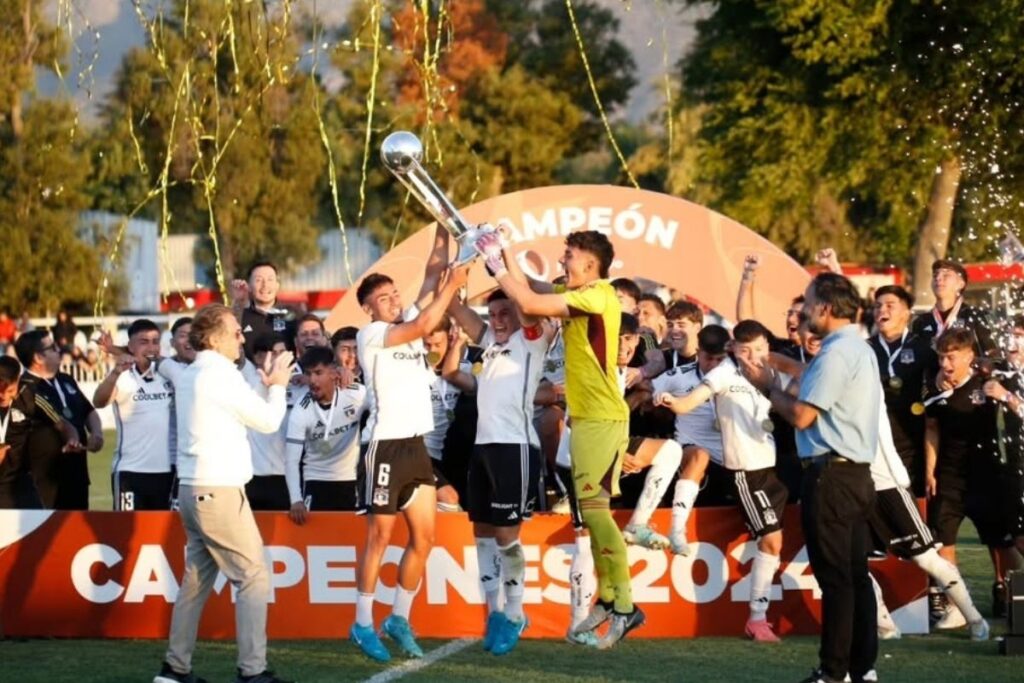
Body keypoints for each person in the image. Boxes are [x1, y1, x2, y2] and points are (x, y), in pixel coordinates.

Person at [478, 228, 643, 649]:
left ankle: (624, 604)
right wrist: (505, 252)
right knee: (591, 514)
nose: (562, 260)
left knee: (598, 515)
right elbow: (532, 288)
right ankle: (608, 599)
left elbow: (529, 304)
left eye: (568, 255)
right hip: (585, 419)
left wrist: (496, 266)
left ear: (589, 264)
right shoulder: (581, 290)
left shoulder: (599, 295)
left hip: (603, 418)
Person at [739, 272, 879, 683]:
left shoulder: (837, 353)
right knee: (854, 577)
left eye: (809, 302)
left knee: (837, 580)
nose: (802, 311)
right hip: (853, 475)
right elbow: (815, 375)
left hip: (831, 476)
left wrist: (767, 387)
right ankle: (861, 668)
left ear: (826, 308)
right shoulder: (855, 348)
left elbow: (802, 415)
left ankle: (833, 673)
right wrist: (780, 364)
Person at [154, 303, 294, 683]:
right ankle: (253, 671)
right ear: (214, 337)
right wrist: (278, 387)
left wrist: (267, 388)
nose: (242, 336)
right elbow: (267, 421)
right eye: (235, 331)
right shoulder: (219, 375)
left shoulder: (194, 373)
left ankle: (174, 668)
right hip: (217, 490)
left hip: (194, 489)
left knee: (196, 580)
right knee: (252, 577)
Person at [349, 225, 469, 662]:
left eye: (394, 294)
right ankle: (362, 622)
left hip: (415, 447)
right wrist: (453, 287)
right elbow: (425, 321)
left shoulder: (404, 320)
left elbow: (435, 268)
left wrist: (442, 226)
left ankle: (398, 617)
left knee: (425, 537)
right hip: (385, 446)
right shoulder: (372, 335)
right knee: (380, 537)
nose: (394, 301)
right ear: (367, 309)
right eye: (383, 299)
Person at [657, 320, 789, 643]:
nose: (752, 356)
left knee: (773, 546)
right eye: (745, 351)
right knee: (771, 541)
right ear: (733, 349)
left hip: (771, 469)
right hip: (745, 471)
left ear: (767, 347)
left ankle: (758, 618)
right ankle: (756, 620)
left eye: (758, 349)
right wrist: (670, 401)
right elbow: (690, 400)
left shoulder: (770, 371)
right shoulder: (725, 372)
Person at [443, 286, 554, 654]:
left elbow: (530, 305)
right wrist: (453, 276)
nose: (498, 320)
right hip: (482, 448)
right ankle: (493, 612)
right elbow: (456, 309)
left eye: (505, 312)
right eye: (493, 314)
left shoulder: (531, 340)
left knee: (508, 537)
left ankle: (516, 613)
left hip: (515, 448)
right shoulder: (489, 340)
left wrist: (505, 267)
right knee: (483, 534)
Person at [923, 327, 1022, 622]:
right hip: (950, 477)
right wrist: (930, 471)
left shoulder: (988, 382)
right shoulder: (934, 388)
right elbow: (931, 429)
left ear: (968, 357)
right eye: (942, 358)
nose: (945, 364)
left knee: (1005, 542)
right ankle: (958, 608)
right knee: (944, 541)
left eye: (951, 357)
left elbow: (1009, 367)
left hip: (987, 476)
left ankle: (1011, 593)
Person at [647, 327, 729, 556]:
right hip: (690, 450)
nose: (713, 365)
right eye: (707, 358)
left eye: (719, 360)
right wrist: (654, 398)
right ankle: (676, 529)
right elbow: (648, 388)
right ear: (698, 352)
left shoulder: (738, 375)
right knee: (700, 455)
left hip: (731, 454)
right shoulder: (679, 375)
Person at [15, 330, 104, 509]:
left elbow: (89, 412)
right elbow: (60, 423)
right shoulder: (25, 389)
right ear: (38, 357)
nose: (59, 351)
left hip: (77, 475)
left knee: (78, 532)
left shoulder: (66, 380)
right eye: (53, 347)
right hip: (46, 480)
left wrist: (97, 433)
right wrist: (72, 437)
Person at [93, 319, 175, 511]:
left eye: (155, 341)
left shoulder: (169, 372)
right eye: (144, 342)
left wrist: (112, 348)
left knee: (165, 535)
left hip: (167, 472)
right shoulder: (123, 376)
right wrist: (114, 372)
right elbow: (98, 401)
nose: (152, 347)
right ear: (130, 346)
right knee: (126, 533)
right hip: (130, 471)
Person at [285, 346, 366, 521]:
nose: (312, 380)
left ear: (333, 372)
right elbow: (291, 460)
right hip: (316, 479)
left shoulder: (355, 394)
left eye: (318, 372)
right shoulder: (301, 409)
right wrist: (296, 500)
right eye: (309, 374)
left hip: (351, 479)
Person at [869, 285, 934, 496]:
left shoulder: (923, 348)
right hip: (875, 442)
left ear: (906, 312)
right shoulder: (864, 349)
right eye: (877, 306)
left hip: (911, 440)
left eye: (890, 306)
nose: (882, 311)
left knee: (914, 505)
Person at [0, 356, 79, 508]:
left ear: (18, 379)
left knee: (40, 529)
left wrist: (72, 438)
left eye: (9, 390)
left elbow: (62, 424)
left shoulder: (30, 396)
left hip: (21, 482)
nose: (3, 396)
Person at [242, 334, 292, 511]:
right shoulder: (245, 385)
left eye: (281, 353)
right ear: (257, 357)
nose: (277, 359)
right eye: (272, 353)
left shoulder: (301, 384)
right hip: (253, 476)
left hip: (286, 476)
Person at [910, 259, 996, 357]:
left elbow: (992, 355)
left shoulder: (975, 316)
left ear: (960, 284)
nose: (938, 278)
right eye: (935, 275)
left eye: (946, 275)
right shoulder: (921, 322)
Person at [422, 317, 465, 511]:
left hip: (455, 454)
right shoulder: (412, 370)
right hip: (421, 454)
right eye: (426, 344)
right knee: (449, 500)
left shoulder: (465, 369)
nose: (431, 351)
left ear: (450, 338)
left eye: (437, 344)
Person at [230, 261, 297, 361]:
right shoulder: (240, 316)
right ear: (249, 287)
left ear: (277, 285)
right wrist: (238, 302)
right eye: (258, 280)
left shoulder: (292, 315)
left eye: (270, 280)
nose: (265, 285)